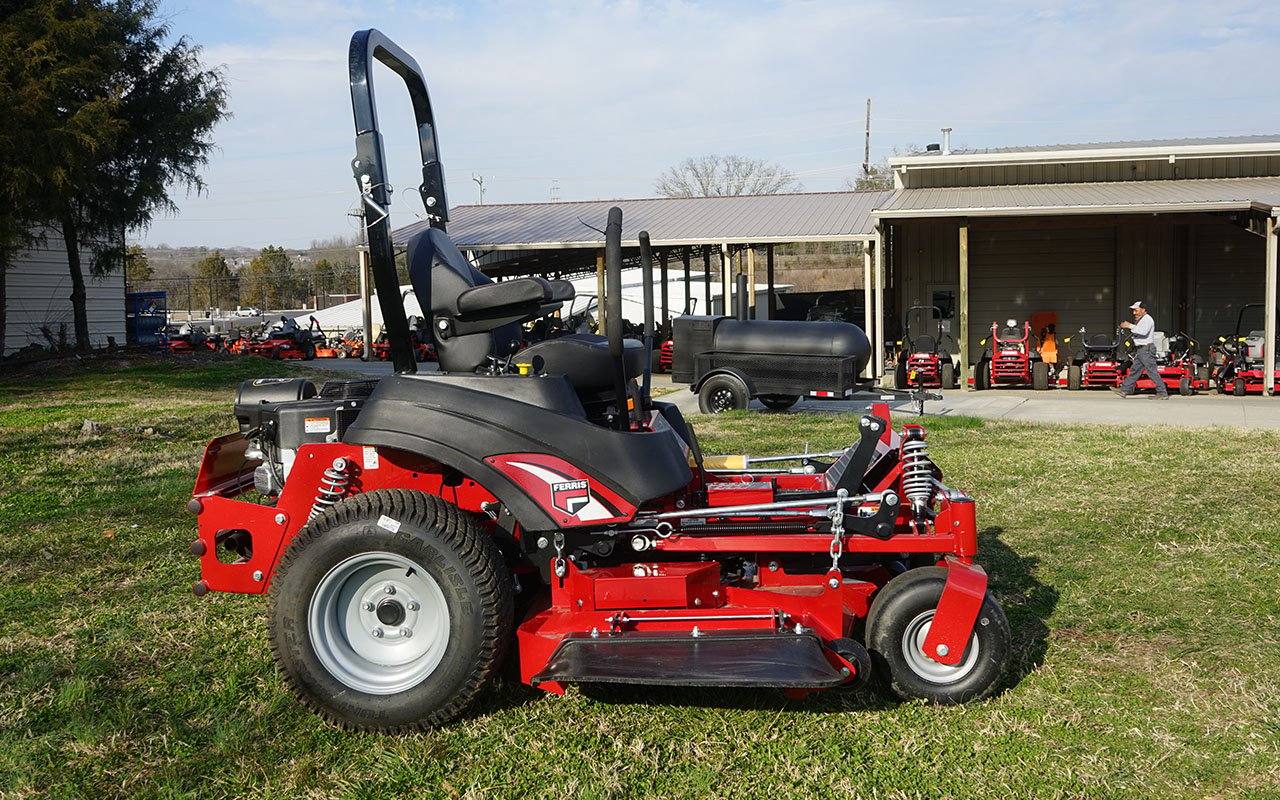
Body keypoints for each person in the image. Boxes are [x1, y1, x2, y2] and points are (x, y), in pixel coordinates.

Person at [1112, 301, 1168, 399]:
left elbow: (1143, 331)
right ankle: (1124, 390)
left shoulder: (1147, 319)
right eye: (1133, 310)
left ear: (1143, 310)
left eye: (1136, 310)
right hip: (1142, 350)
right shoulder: (1142, 319)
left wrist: (1129, 326)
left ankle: (1162, 393)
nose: (1134, 312)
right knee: (1135, 370)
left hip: (1146, 349)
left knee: (1151, 371)